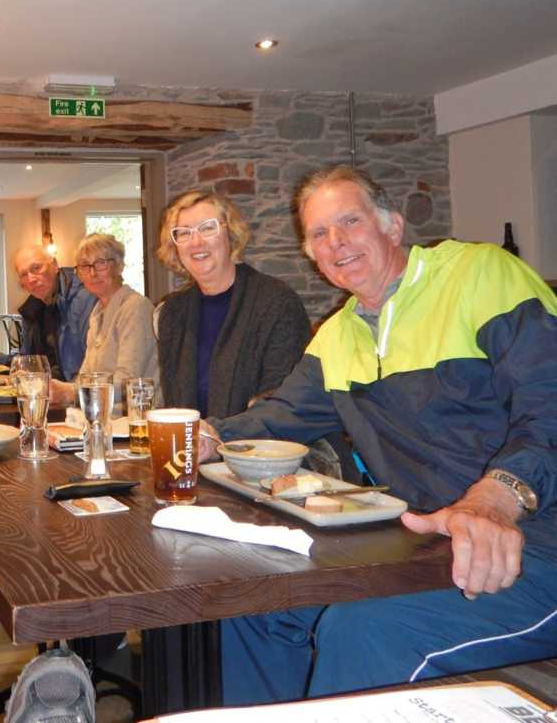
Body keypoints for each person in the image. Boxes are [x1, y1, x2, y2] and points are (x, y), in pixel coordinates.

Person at [196, 168, 557, 704]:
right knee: (249, 606)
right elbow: (278, 416)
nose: (335, 242)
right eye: (319, 234)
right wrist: (207, 434)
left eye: (349, 221)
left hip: (532, 547)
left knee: (361, 632)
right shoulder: (337, 336)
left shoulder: (480, 274)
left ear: (392, 225)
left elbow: (548, 402)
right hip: (425, 544)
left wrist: (497, 498)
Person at [154, 189, 310, 418]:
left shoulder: (276, 302)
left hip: (256, 448)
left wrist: (218, 437)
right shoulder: (172, 313)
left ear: (231, 234)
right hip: (192, 448)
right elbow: (175, 406)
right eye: (184, 233)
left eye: (208, 228)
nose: (195, 242)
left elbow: (281, 402)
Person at [50, 233, 159, 406]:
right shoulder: (98, 312)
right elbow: (86, 376)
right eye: (85, 266)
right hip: (100, 417)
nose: (92, 273)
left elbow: (126, 383)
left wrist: (70, 393)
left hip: (132, 421)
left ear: (119, 266)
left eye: (101, 263)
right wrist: (59, 387)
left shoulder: (135, 307)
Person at [0, 245, 96, 382]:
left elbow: (95, 365)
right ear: (21, 283)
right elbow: (30, 363)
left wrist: (70, 392)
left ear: (55, 265)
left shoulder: (85, 297)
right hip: (47, 393)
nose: (31, 279)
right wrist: (0, 358)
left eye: (36, 268)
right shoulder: (33, 309)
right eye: (24, 274)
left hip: (78, 395)